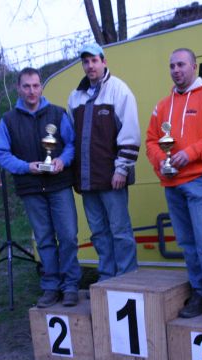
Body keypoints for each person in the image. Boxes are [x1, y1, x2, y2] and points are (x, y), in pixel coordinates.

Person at [146, 48, 202, 324]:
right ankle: (200, 293)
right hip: (171, 183)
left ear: (194, 66)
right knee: (187, 244)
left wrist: (191, 153)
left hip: (199, 181)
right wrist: (161, 161)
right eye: (172, 65)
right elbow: (151, 141)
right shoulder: (162, 106)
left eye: (181, 64)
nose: (176, 70)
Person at [0, 67, 81, 308]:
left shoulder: (57, 113)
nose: (31, 91)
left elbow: (72, 144)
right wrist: (26, 167)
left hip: (59, 185)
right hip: (31, 188)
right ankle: (51, 286)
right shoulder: (8, 120)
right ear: (18, 89)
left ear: (41, 87)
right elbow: (2, 155)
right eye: (26, 86)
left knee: (68, 236)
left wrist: (62, 160)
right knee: (44, 239)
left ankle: (71, 286)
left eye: (35, 86)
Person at [67, 43, 140, 282]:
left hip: (112, 178)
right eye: (85, 62)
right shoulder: (75, 97)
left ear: (104, 61)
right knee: (98, 233)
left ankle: (127, 277)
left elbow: (130, 133)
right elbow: (72, 139)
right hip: (87, 180)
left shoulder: (119, 90)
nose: (90, 66)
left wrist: (122, 169)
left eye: (94, 60)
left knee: (120, 231)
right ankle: (107, 278)